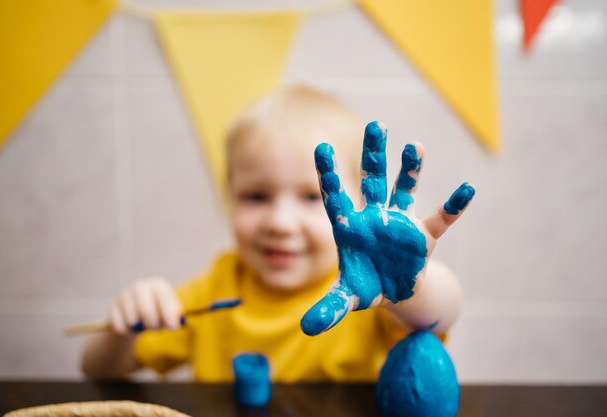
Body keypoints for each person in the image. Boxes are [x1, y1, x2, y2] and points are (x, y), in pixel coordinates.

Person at [81, 85, 473, 382]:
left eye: (311, 197)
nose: (280, 223)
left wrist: (408, 291)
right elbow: (99, 372)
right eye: (256, 196)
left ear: (360, 201)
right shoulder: (216, 289)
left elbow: (444, 312)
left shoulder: (370, 298)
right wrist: (124, 328)